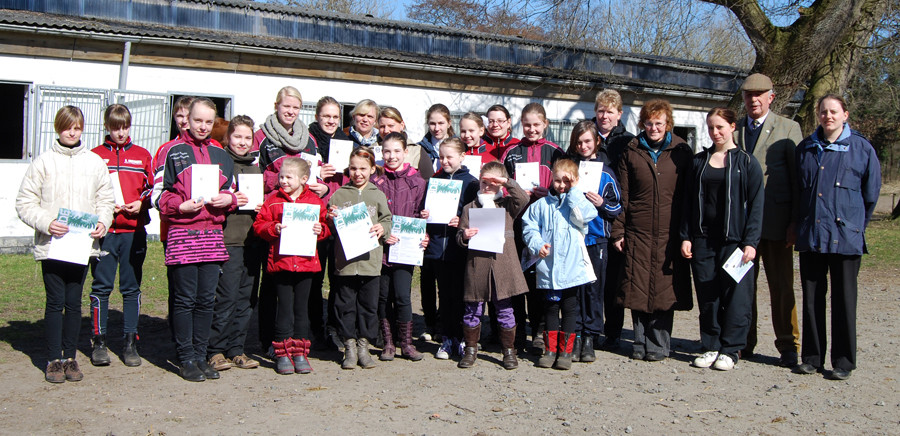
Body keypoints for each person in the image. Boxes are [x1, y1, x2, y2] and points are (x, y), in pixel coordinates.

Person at [16, 105, 115, 383]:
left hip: (81, 247)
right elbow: (25, 203)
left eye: (77, 127)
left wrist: (103, 222)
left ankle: (70, 358)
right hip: (53, 244)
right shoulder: (43, 162)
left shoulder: (94, 162)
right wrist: (46, 222)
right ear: (58, 128)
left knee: (74, 303)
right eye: (67, 126)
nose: (72, 132)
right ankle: (52, 360)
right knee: (54, 302)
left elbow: (105, 199)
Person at [792, 94, 881, 380]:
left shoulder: (862, 149)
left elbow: (870, 195)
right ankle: (812, 357)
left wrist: (855, 225)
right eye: (823, 111)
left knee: (844, 301)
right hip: (812, 236)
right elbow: (798, 192)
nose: (828, 116)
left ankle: (843, 362)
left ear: (845, 115)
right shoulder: (805, 148)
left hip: (845, 238)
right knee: (812, 299)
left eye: (833, 111)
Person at [156, 98, 236, 382]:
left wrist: (230, 198)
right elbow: (157, 194)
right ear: (186, 120)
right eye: (197, 121)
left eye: (208, 122)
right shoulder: (170, 151)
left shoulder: (221, 154)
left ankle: (201, 356)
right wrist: (179, 206)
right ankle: (186, 357)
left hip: (212, 235)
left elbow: (232, 190)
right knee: (185, 299)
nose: (203, 127)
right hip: (183, 234)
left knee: (206, 300)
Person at [681, 108, 764, 371]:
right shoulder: (698, 162)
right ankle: (711, 345)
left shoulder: (747, 163)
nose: (715, 133)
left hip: (735, 241)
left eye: (720, 127)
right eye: (711, 128)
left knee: (737, 295)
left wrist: (750, 242)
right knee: (708, 295)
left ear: (732, 126)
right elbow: (686, 203)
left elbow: (756, 206)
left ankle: (731, 349)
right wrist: (686, 236)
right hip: (704, 240)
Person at [611, 99, 693, 362]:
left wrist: (686, 233)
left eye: (659, 123)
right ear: (642, 124)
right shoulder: (631, 150)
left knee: (663, 289)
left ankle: (658, 344)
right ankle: (638, 342)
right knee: (637, 286)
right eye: (649, 123)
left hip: (670, 231)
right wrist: (619, 231)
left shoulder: (681, 150)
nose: (654, 128)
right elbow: (624, 194)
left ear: (667, 123)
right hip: (638, 229)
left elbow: (688, 196)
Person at [734, 73, 804, 367]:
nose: (754, 100)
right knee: (742, 286)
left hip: (776, 222)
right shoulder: (734, 129)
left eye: (759, 95)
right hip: (740, 225)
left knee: (781, 286)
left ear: (771, 97)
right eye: (749, 96)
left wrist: (795, 222)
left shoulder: (789, 129)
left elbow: (800, 181)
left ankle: (788, 344)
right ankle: (742, 341)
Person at [88, 104, 153, 368]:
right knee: (101, 287)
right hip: (104, 232)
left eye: (125, 126)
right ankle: (99, 341)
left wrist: (142, 204)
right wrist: (103, 208)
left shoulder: (142, 155)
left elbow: (153, 189)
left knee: (131, 288)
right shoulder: (93, 156)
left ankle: (130, 342)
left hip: (133, 231)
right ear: (107, 126)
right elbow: (86, 192)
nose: (121, 132)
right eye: (115, 127)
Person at [253, 158, 331, 375]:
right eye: (281, 176)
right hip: (282, 264)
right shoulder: (273, 200)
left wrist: (320, 230)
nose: (283, 181)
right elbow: (259, 224)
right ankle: (282, 352)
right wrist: (273, 228)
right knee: (284, 310)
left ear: (304, 179)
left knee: (301, 310)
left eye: (289, 177)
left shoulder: (315, 201)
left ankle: (300, 352)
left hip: (306, 265)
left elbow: (326, 226)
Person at [522, 159, 599, 370]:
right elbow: (529, 228)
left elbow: (588, 215)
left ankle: (566, 351)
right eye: (557, 180)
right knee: (551, 308)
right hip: (548, 267)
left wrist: (574, 192)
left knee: (570, 309)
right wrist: (537, 244)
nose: (561, 185)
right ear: (551, 179)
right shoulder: (540, 206)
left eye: (566, 181)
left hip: (572, 268)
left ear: (574, 181)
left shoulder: (576, 204)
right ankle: (550, 350)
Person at [502, 102, 565, 353]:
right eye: (527, 125)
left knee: (540, 277)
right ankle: (517, 331)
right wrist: (517, 192)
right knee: (517, 276)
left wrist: (548, 191)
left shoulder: (555, 152)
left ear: (545, 124)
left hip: (545, 225)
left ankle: (539, 330)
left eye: (536, 124)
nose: (531, 129)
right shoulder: (512, 151)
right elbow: (503, 186)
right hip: (518, 223)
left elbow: (566, 187)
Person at [456, 161, 530, 370]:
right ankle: (470, 349)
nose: (487, 186)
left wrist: (506, 182)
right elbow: (459, 236)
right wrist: (464, 235)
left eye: (492, 182)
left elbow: (523, 198)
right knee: (472, 309)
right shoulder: (470, 207)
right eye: (484, 182)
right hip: (477, 266)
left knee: (505, 310)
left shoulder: (507, 205)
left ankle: (508, 350)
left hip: (502, 266)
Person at [206, 115, 264, 372]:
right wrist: (230, 199)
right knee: (226, 296)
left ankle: (236, 349)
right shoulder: (219, 165)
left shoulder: (256, 168)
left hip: (252, 240)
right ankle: (215, 350)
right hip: (227, 239)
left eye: (247, 138)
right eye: (237, 136)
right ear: (228, 137)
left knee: (246, 297)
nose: (242, 142)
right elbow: (208, 199)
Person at [327, 146, 393, 369]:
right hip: (345, 262)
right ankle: (349, 346)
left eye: (363, 169)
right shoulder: (339, 194)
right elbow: (331, 227)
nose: (358, 173)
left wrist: (382, 228)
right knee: (345, 305)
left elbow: (387, 219)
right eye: (354, 168)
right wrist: (330, 218)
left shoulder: (377, 194)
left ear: (372, 169)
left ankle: (364, 345)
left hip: (370, 262)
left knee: (368, 305)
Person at [565, 120, 622, 362]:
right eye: (579, 142)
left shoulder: (606, 172)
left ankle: (591, 336)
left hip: (597, 239)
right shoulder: (569, 168)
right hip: (572, 238)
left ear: (597, 141)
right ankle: (576, 334)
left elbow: (618, 206)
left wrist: (602, 204)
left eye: (588, 141)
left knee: (593, 290)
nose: (583, 145)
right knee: (575, 289)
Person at [371, 132, 429, 361]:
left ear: (406, 152)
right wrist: (382, 233)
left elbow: (420, 215)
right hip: (381, 249)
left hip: (406, 250)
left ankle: (406, 343)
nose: (391, 156)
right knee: (384, 297)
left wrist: (423, 236)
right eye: (387, 151)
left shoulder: (417, 182)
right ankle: (388, 343)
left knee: (404, 296)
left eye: (397, 151)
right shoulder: (375, 181)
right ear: (381, 153)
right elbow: (370, 214)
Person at [423, 138, 480, 360]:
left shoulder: (472, 183)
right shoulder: (434, 181)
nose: (445, 161)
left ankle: (464, 338)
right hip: (438, 248)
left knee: (461, 295)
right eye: (442, 156)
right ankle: (447, 339)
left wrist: (462, 220)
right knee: (444, 295)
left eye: (450, 157)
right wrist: (424, 214)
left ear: (462, 157)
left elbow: (477, 214)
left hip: (460, 249)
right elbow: (423, 209)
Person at [590, 90, 635, 351]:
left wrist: (620, 228)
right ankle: (591, 330)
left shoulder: (628, 142)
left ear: (619, 114)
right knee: (592, 280)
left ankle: (614, 332)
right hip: (589, 222)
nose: (604, 116)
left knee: (614, 282)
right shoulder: (586, 136)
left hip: (615, 219)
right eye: (600, 110)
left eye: (610, 111)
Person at [307, 96, 348, 350]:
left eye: (335, 117)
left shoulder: (346, 143)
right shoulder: (307, 143)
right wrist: (316, 176)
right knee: (313, 277)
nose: (331, 121)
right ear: (317, 117)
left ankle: (334, 329)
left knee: (337, 277)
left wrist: (332, 188)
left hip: (339, 218)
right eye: (326, 116)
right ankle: (313, 328)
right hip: (315, 219)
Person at [377, 106, 435, 178]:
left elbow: (428, 180)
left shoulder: (416, 151)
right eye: (382, 126)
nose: (386, 130)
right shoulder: (371, 150)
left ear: (402, 125)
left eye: (391, 126)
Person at [418, 103, 455, 173]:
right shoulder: (419, 149)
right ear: (428, 124)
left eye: (441, 123)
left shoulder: (461, 147)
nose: (436, 128)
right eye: (432, 123)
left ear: (449, 123)